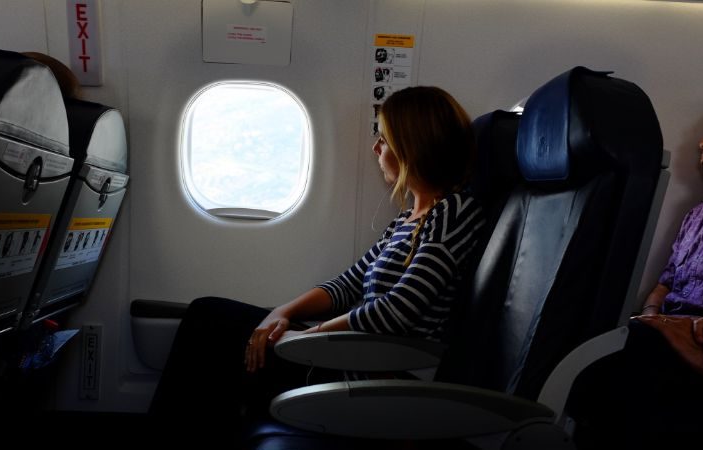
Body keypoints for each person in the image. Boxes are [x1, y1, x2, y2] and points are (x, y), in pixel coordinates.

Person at [149, 86, 487, 446]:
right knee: (207, 314)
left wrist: (308, 338)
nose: (376, 149)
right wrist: (282, 312)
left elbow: (395, 312)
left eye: (384, 140)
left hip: (377, 374)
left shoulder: (452, 214)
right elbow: (348, 285)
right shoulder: (408, 219)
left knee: (216, 342)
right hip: (351, 354)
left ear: (412, 147)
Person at [571, 98, 703, 449]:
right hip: (664, 339)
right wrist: (654, 320)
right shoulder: (698, 215)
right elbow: (664, 285)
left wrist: (684, 331)